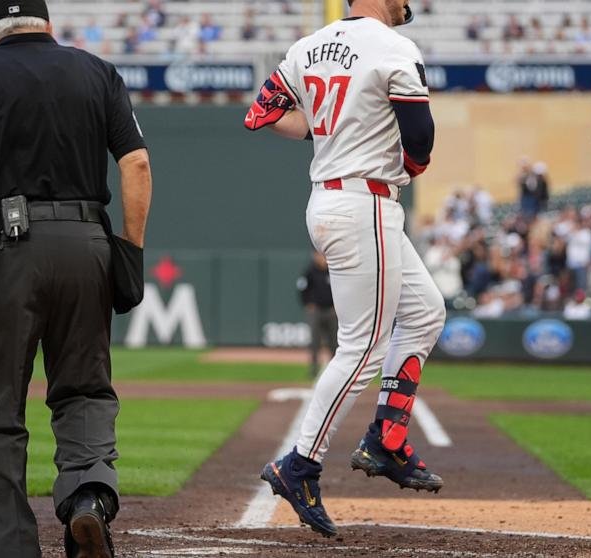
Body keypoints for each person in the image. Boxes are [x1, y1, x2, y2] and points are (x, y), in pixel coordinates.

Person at [0, 0, 151, 555]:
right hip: (89, 243)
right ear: (49, 25)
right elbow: (135, 163)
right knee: (85, 389)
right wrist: (129, 250)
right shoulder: (96, 71)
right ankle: (88, 497)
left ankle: (7, 548)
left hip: (8, 248)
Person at [244, 0, 445, 537]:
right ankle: (300, 464)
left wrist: (328, 132)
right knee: (362, 348)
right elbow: (420, 146)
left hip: (334, 197)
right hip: (365, 202)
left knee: (425, 312)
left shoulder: (308, 45)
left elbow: (258, 114)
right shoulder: (394, 47)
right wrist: (367, 148)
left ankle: (388, 438)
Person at [299, 251, 338, 378]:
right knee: (315, 342)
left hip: (331, 311)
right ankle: (313, 369)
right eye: (318, 256)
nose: (321, 259)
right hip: (316, 311)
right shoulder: (310, 271)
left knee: (334, 342)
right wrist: (308, 304)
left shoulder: (333, 271)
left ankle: (336, 370)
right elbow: (302, 289)